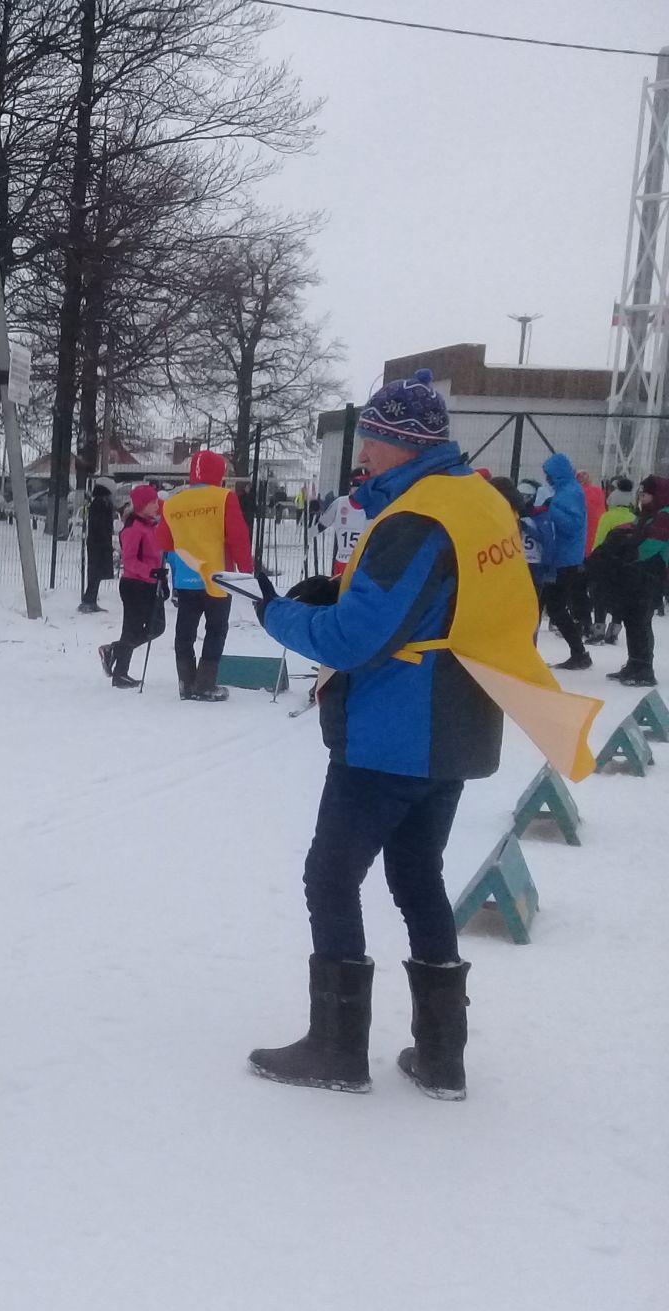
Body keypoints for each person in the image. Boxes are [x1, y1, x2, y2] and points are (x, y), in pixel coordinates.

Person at [246, 366, 576, 1101]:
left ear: (401, 443)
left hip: (395, 730)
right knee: (416, 874)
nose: (362, 451)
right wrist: (336, 591)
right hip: (458, 725)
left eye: (371, 438)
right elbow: (443, 597)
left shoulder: (415, 520)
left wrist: (281, 617)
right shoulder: (476, 501)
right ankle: (441, 1057)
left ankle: (335, 1048)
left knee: (330, 875)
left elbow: (358, 638)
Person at [157, 448, 253, 700]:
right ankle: (206, 683)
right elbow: (238, 537)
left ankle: (185, 683)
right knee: (216, 629)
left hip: (186, 578)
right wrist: (247, 571)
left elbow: (164, 542)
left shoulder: (173, 502)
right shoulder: (224, 498)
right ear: (218, 472)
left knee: (185, 632)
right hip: (217, 577)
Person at [597, 476, 669, 687]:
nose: (642, 498)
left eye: (646, 494)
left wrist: (628, 555)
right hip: (639, 574)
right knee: (632, 618)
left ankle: (644, 668)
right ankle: (634, 663)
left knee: (640, 619)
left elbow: (652, 545)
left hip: (652, 575)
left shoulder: (664, 515)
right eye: (641, 494)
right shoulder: (649, 513)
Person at [98, 483, 167, 689]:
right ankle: (120, 672)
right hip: (134, 585)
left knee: (157, 627)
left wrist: (159, 579)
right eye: (153, 503)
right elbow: (129, 561)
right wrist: (151, 572)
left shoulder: (151, 525)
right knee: (132, 628)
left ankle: (114, 653)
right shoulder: (133, 528)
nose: (157, 505)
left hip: (151, 584)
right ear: (141, 506)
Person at [536, 453, 592, 670]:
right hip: (560, 557)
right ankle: (579, 653)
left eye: (549, 474)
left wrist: (549, 510)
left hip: (563, 560)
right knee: (554, 607)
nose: (547, 478)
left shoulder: (570, 493)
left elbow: (572, 526)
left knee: (552, 606)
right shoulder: (566, 490)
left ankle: (579, 653)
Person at [587, 476, 637, 644]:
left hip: (606, 563)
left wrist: (592, 561)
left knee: (599, 595)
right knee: (620, 596)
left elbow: (599, 541)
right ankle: (614, 631)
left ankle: (598, 629)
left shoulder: (607, 517)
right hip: (625, 565)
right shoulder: (633, 518)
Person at [80, 482, 115, 613]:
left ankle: (91, 600)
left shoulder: (100, 504)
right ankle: (88, 601)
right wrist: (105, 541)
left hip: (98, 542)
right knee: (96, 572)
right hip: (99, 543)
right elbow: (101, 525)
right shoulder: (100, 505)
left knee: (97, 573)